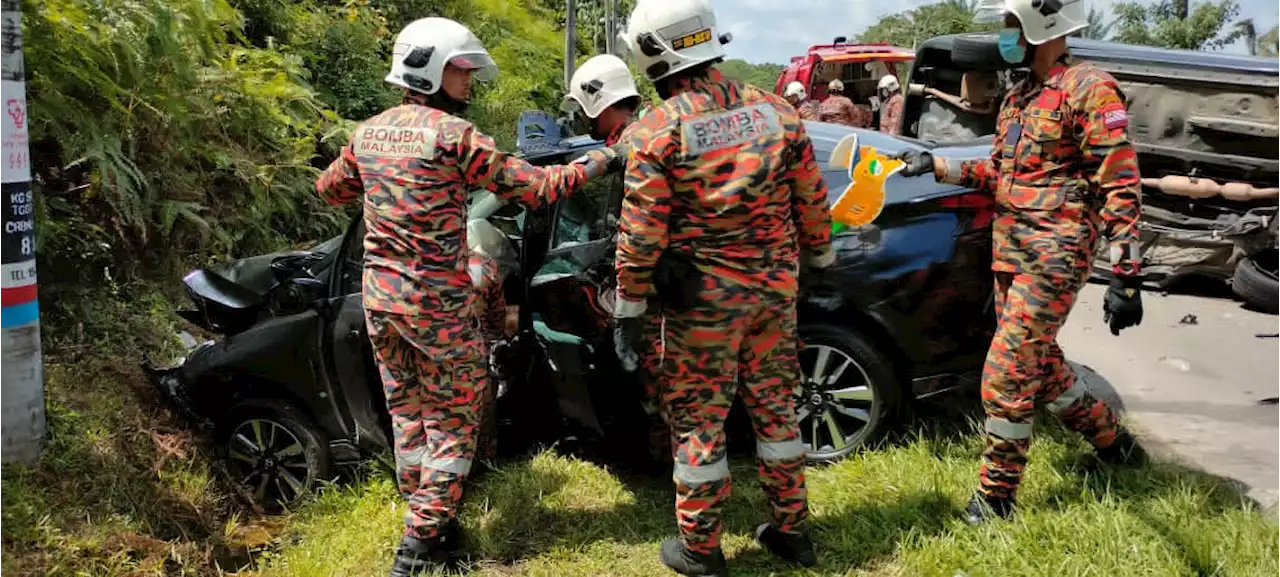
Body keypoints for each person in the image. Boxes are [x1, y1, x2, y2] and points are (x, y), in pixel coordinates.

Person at [314, 17, 621, 576]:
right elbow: (538, 188)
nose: (470, 81)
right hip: (438, 307)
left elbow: (330, 189)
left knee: (409, 420)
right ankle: (415, 547)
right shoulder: (454, 137)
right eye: (463, 70)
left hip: (381, 303)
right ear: (433, 70)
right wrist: (600, 159)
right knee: (455, 426)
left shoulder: (368, 132)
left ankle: (438, 527)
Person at [894, 0, 1148, 525]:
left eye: (1011, 24)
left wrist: (1125, 273)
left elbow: (1119, 183)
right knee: (1043, 367)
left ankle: (997, 497)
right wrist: (935, 165)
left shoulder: (1089, 89)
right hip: (1012, 255)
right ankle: (1114, 444)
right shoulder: (1022, 94)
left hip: (1054, 256)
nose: (1005, 34)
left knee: (1006, 376)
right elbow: (1002, 174)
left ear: (1042, 26)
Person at [612, 0, 841, 574]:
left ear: (653, 54)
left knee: (698, 424)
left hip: (704, 310)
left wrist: (629, 307)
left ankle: (701, 548)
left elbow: (640, 234)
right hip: (773, 297)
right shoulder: (777, 112)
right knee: (778, 415)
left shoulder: (656, 131)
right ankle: (793, 531)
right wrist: (817, 258)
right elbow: (812, 201)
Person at [561, 54, 674, 461]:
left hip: (661, 285)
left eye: (584, 111)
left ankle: (673, 465)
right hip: (663, 279)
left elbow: (643, 230)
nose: (583, 121)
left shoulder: (635, 140)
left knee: (664, 383)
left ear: (600, 103)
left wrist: (562, 176)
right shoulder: (644, 132)